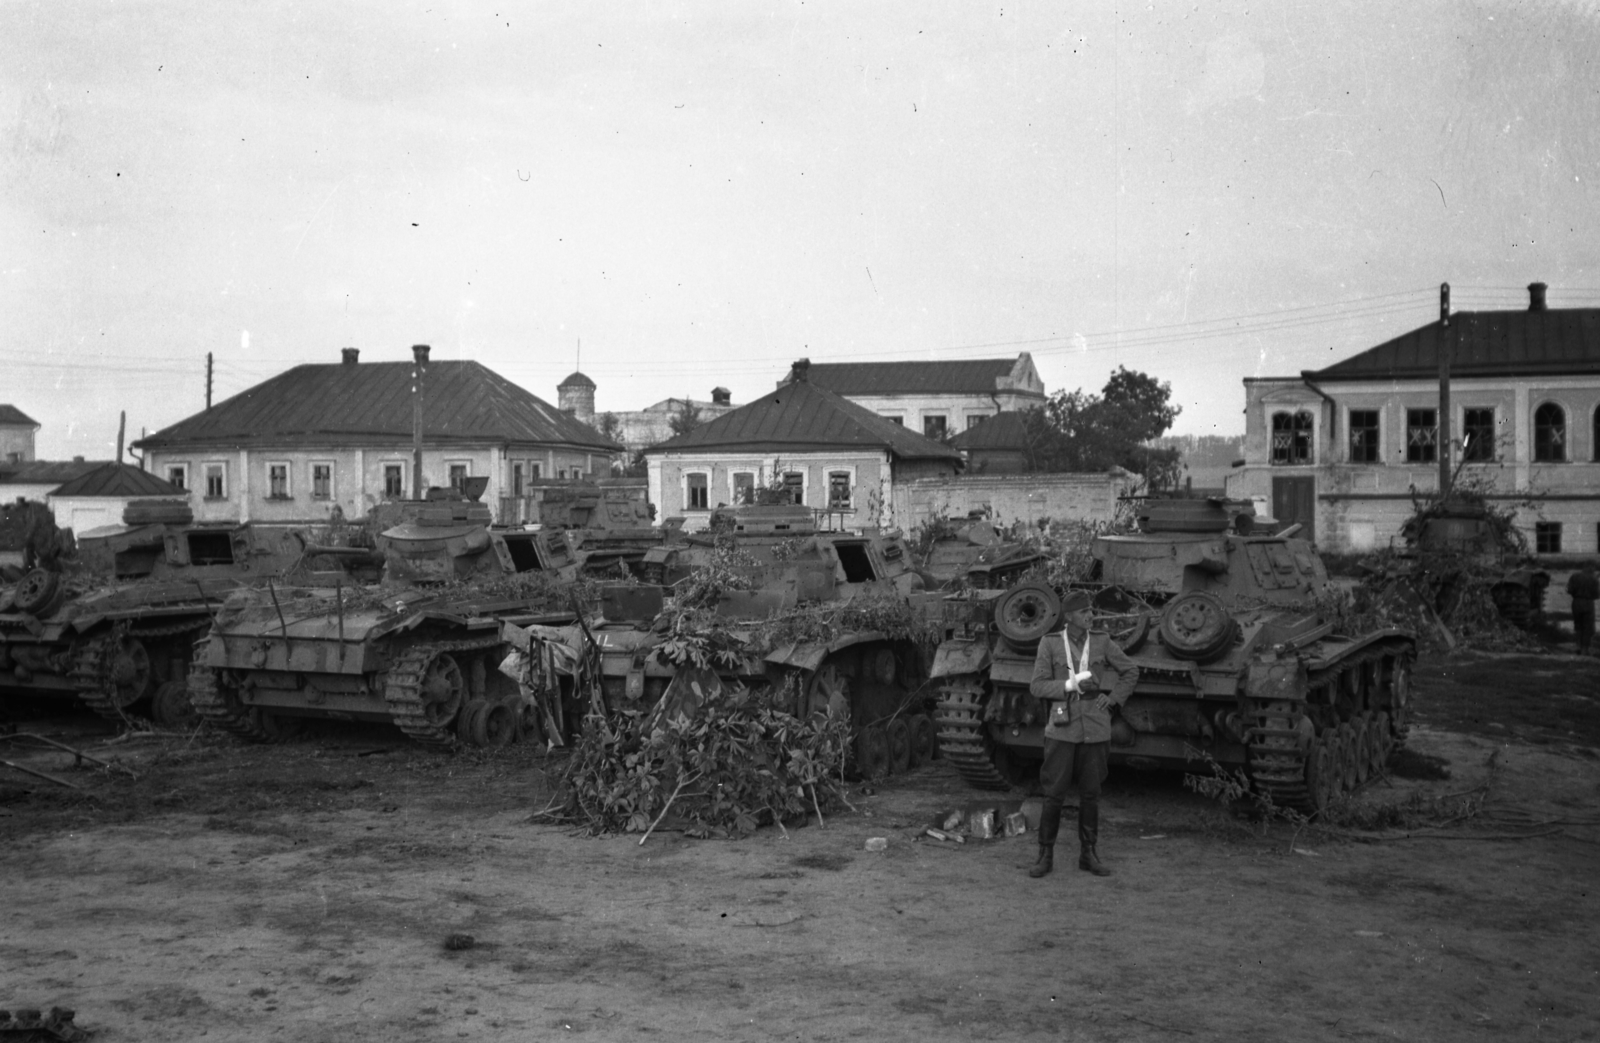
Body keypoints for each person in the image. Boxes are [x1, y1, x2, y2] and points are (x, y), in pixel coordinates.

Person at [1027, 589, 1139, 878]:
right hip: (1062, 726)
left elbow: (1130, 671)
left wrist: (1113, 700)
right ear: (1069, 617)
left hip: (1096, 725)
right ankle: (1045, 855)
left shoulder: (1102, 641)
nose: (1090, 615)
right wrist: (1066, 685)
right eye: (1084, 612)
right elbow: (1037, 686)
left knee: (1091, 794)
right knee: (1054, 794)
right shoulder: (1050, 644)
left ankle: (1088, 854)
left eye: (1091, 610)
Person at [1568, 562, 1598, 656]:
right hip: (1588, 603)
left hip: (1576, 602)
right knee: (1588, 628)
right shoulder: (1594, 579)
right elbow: (1596, 595)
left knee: (1578, 625)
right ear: (1591, 567)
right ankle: (1585, 650)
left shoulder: (1574, 576)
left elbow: (1569, 590)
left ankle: (1578, 646)